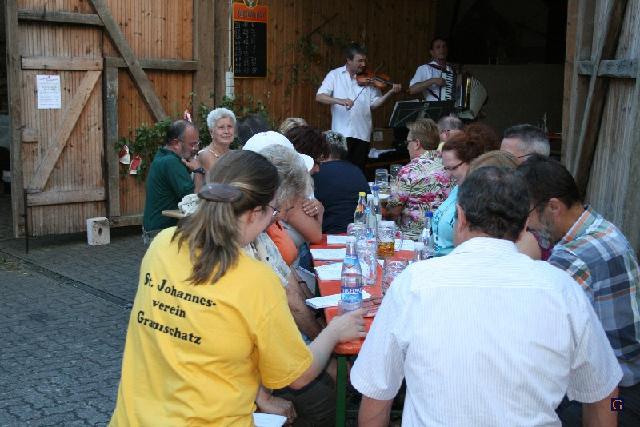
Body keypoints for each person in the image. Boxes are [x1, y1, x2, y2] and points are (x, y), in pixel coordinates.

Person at [351, 166, 622, 426]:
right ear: (524, 225)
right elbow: (609, 397)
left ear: (461, 216)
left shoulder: (413, 284)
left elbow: (376, 395)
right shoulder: (563, 289)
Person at [109, 151, 365, 426]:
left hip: (133, 419)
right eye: (273, 212)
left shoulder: (163, 244)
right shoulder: (256, 280)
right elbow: (298, 375)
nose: (273, 220)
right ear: (254, 213)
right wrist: (334, 331)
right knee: (321, 409)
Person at [517, 155, 640, 425]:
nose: (526, 225)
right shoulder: (602, 228)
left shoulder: (572, 257)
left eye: (527, 213)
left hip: (619, 399)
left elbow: (540, 336)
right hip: (629, 379)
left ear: (553, 207)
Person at [316, 43, 401, 171]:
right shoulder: (335, 75)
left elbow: (374, 104)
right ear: (349, 60)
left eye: (364, 60)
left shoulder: (370, 79)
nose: (363, 64)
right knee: (340, 171)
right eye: (359, 61)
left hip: (362, 134)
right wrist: (339, 100)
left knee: (358, 171)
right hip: (341, 134)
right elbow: (320, 96)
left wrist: (390, 92)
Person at [384, 118, 452, 240]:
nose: (407, 147)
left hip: (412, 240)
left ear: (417, 144)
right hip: (444, 237)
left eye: (408, 142)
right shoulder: (450, 167)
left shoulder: (408, 171)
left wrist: (378, 208)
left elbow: (392, 213)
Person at [141, 120, 202, 244]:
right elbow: (193, 202)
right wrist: (198, 171)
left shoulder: (162, 156)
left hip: (155, 230)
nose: (196, 148)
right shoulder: (171, 162)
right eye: (192, 144)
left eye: (197, 143)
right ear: (176, 143)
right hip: (162, 233)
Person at [431, 132, 484, 255]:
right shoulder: (457, 188)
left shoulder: (480, 197)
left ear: (473, 162)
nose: (448, 175)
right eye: (446, 168)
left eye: (453, 168)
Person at [313, 130, 370, 233]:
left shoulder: (316, 172)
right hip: (359, 232)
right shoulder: (356, 170)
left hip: (327, 234)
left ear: (321, 152)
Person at [408, 37, 452, 101]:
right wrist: (432, 81)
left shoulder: (451, 69)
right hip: (434, 106)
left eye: (444, 46)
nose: (442, 49)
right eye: (438, 47)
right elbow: (411, 90)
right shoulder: (425, 68)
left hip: (452, 106)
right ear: (432, 52)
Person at [197, 107, 236, 173]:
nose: (226, 131)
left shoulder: (234, 154)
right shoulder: (206, 155)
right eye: (221, 127)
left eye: (229, 126)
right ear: (211, 132)